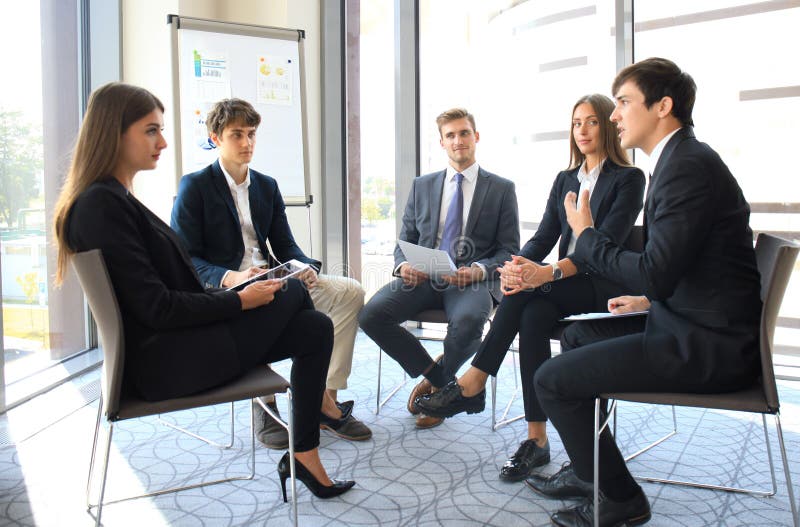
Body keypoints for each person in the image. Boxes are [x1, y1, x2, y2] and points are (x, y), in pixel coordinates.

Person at [53, 82, 354, 501]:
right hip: (166, 364)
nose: (163, 141)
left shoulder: (115, 199)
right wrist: (237, 298)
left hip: (182, 345)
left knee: (315, 327)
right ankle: (316, 419)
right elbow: (158, 307)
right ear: (114, 132)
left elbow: (167, 293)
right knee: (291, 296)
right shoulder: (102, 205)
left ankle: (304, 452)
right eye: (151, 130)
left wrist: (244, 296)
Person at [526, 58, 762, 527]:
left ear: (663, 107)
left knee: (551, 380)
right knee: (574, 337)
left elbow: (655, 271)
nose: (615, 117)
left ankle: (621, 499)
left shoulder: (687, 167)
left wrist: (588, 235)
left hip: (706, 344)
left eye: (623, 103)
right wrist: (650, 301)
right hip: (688, 317)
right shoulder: (681, 161)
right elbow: (686, 266)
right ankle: (591, 469)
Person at [415, 95, 646, 482]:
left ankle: (474, 379)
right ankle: (536, 440)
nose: (583, 130)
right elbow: (542, 237)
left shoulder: (629, 179)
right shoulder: (565, 179)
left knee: (529, 294)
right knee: (533, 314)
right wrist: (514, 267)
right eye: (576, 124)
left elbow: (603, 247)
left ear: (607, 126)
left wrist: (546, 274)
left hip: (605, 282)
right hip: (557, 283)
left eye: (591, 122)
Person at [171, 98, 370, 447]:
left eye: (251, 134)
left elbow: (286, 245)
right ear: (215, 138)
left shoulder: (266, 186)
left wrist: (305, 267)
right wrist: (232, 277)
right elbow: (187, 259)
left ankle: (327, 395)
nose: (247, 143)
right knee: (276, 307)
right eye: (237, 135)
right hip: (231, 289)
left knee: (349, 290)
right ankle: (266, 404)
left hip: (277, 279)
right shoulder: (195, 187)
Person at [358, 108, 520, 429]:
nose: (458, 140)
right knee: (370, 315)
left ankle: (438, 394)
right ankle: (441, 381)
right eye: (450, 135)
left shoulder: (501, 188)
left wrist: (478, 269)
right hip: (424, 276)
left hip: (471, 281)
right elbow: (405, 237)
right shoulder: (423, 185)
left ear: (476, 137)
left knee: (471, 320)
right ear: (442, 143)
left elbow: (510, 250)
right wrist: (403, 264)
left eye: (464, 133)